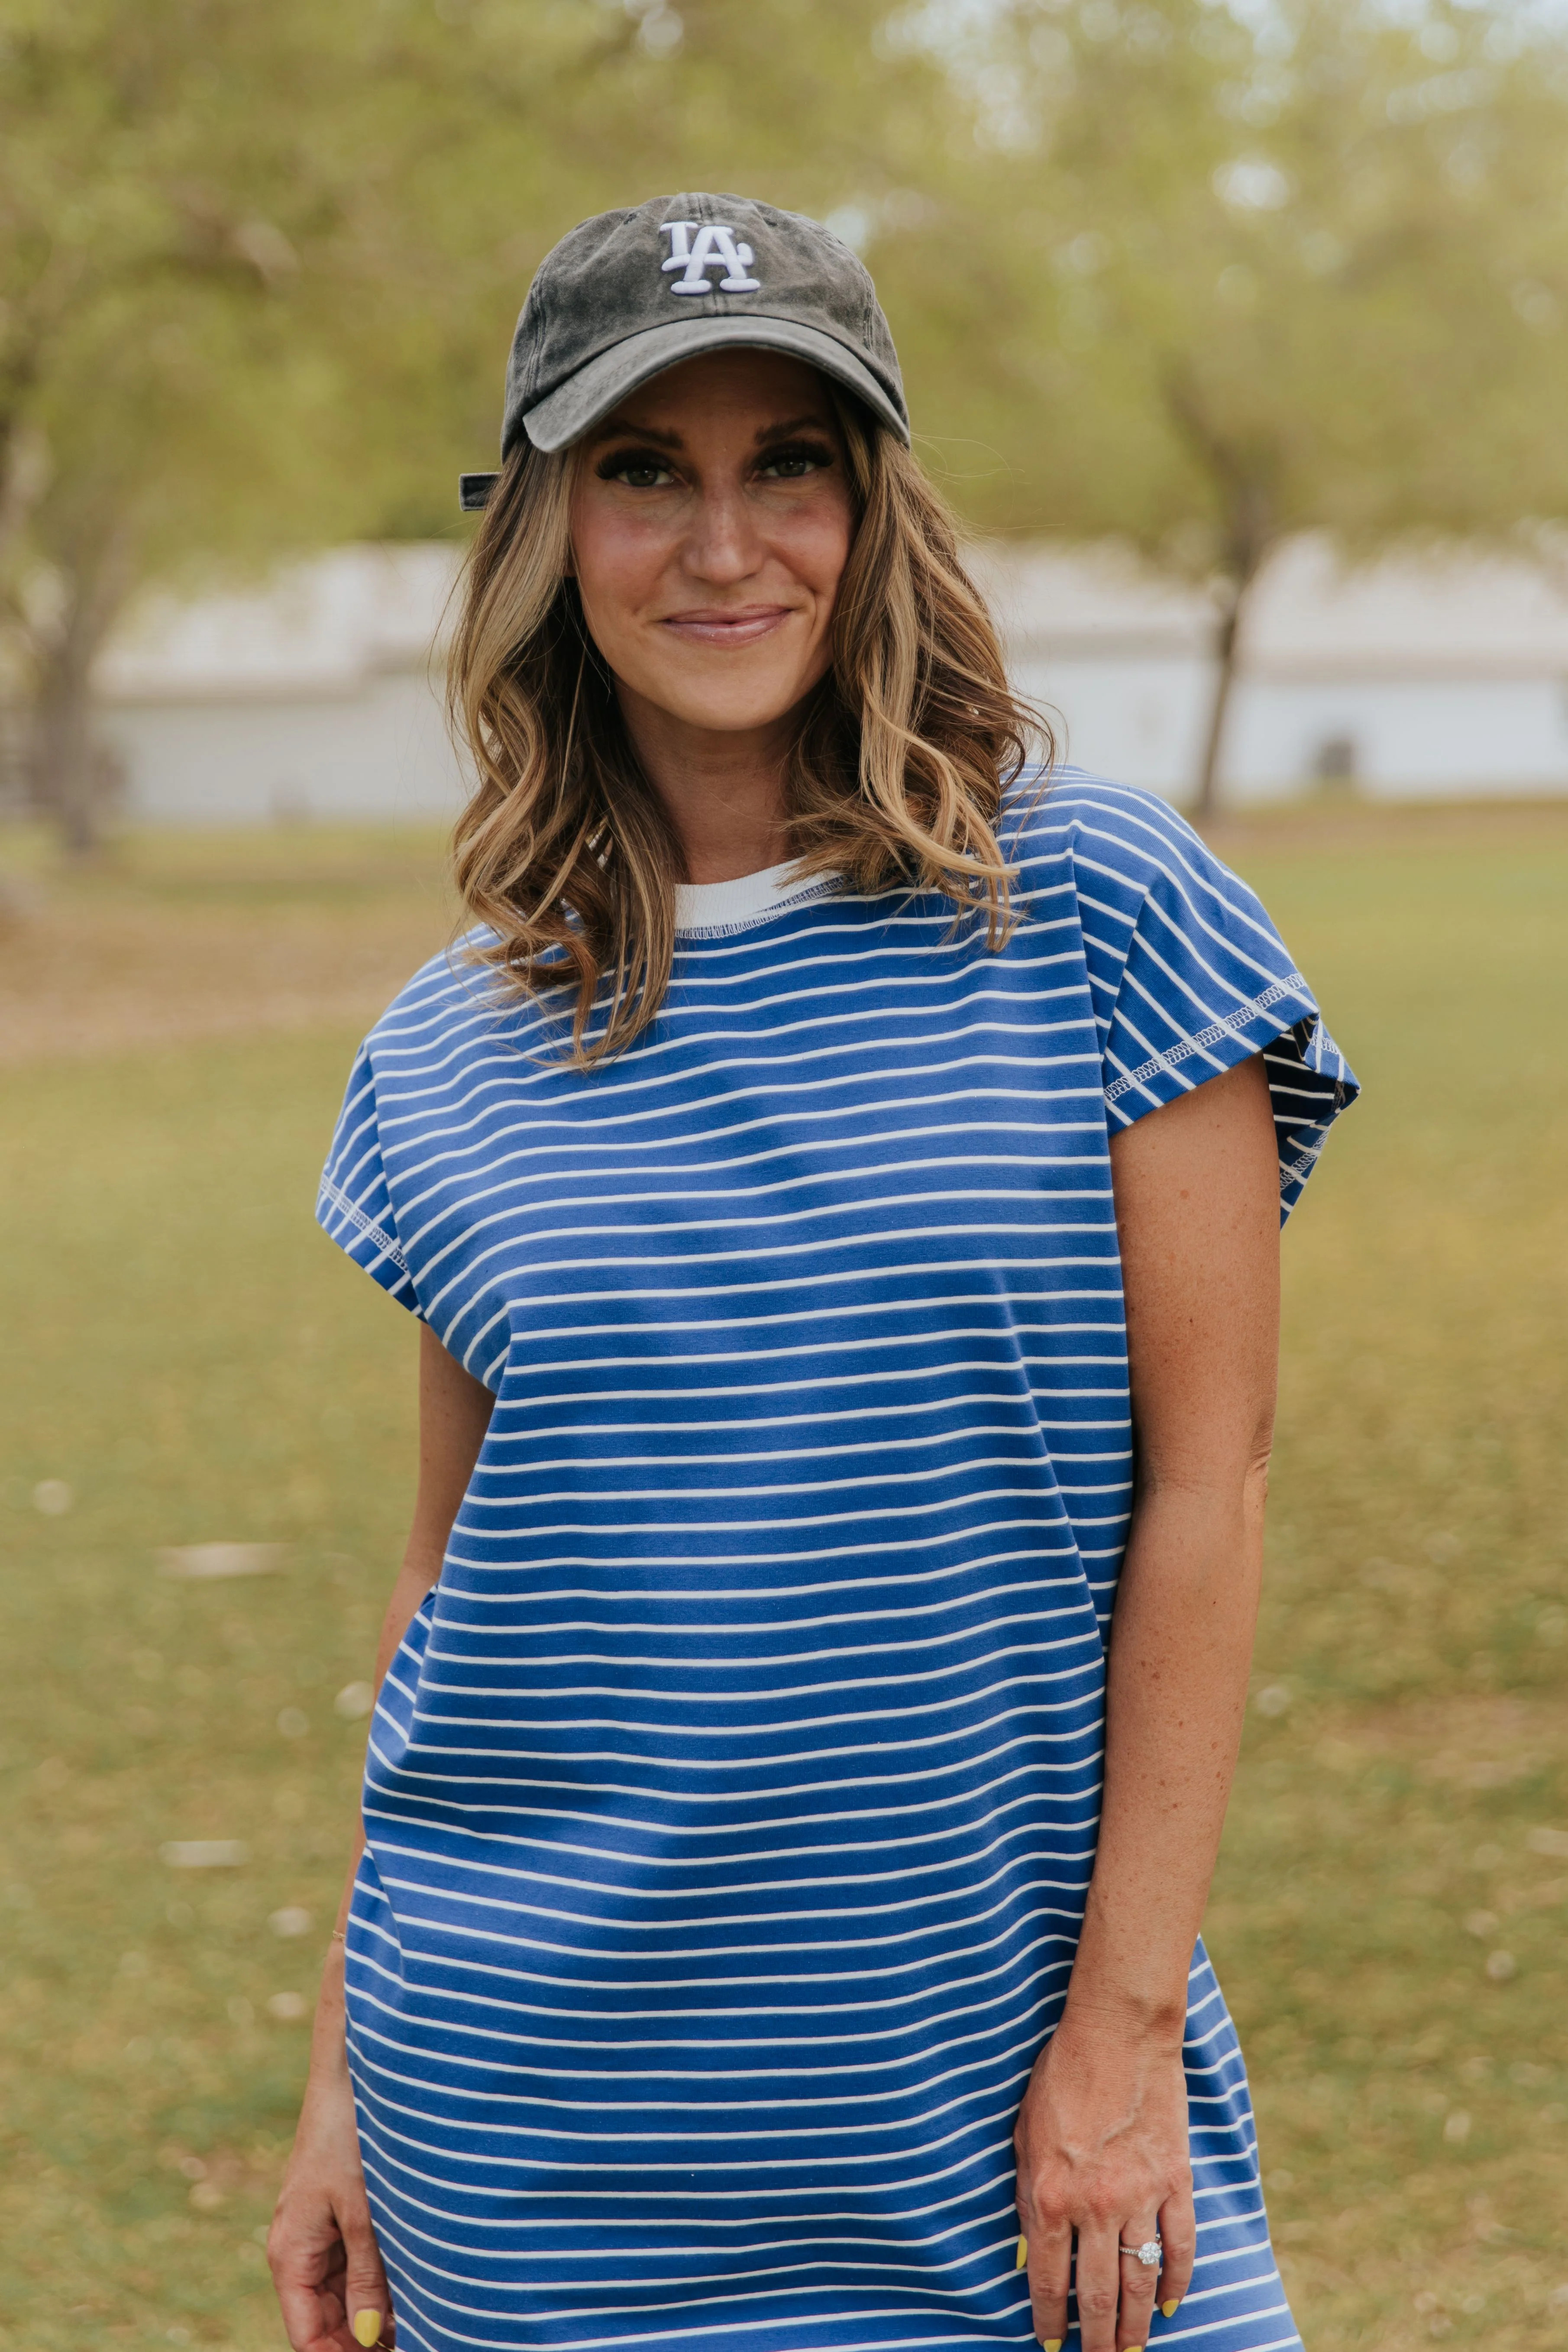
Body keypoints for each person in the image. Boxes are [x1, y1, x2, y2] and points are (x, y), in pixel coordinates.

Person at [268, 193, 1356, 2352]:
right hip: (537, 2129)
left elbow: (1205, 1494)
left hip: (1010, 2109)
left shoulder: (1107, 910)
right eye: (643, 471)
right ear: (543, 530)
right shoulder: (450, 1045)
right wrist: (336, 2080)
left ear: (878, 514)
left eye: (792, 463)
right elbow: (446, 1600)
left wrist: (1124, 2040)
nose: (722, 544)